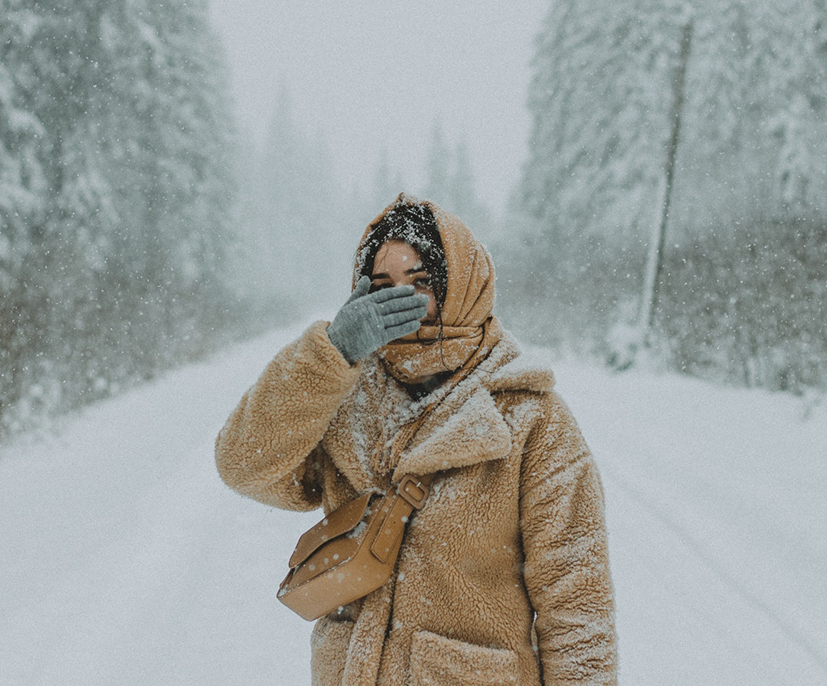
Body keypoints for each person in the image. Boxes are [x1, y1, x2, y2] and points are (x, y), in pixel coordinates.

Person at [216, 194, 617, 686]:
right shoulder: (344, 399)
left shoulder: (531, 417)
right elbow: (243, 464)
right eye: (383, 287)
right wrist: (332, 353)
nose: (402, 302)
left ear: (460, 285)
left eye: (422, 282)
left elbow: (577, 608)